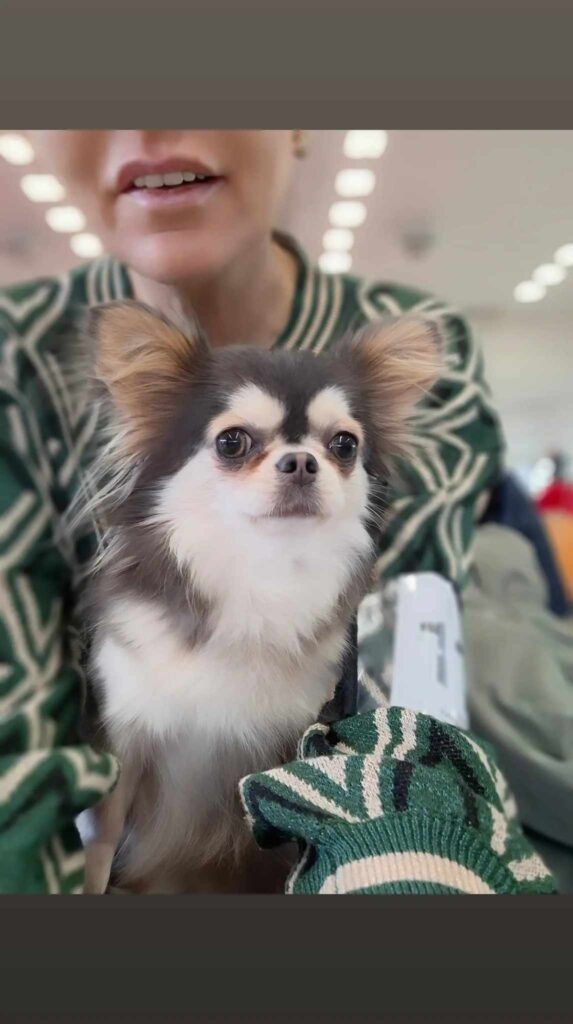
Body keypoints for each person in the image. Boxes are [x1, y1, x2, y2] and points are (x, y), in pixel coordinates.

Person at [0, 130, 553, 894]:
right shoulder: (18, 354)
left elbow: (407, 687)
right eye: (236, 444)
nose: (297, 462)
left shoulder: (414, 350)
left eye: (340, 447)